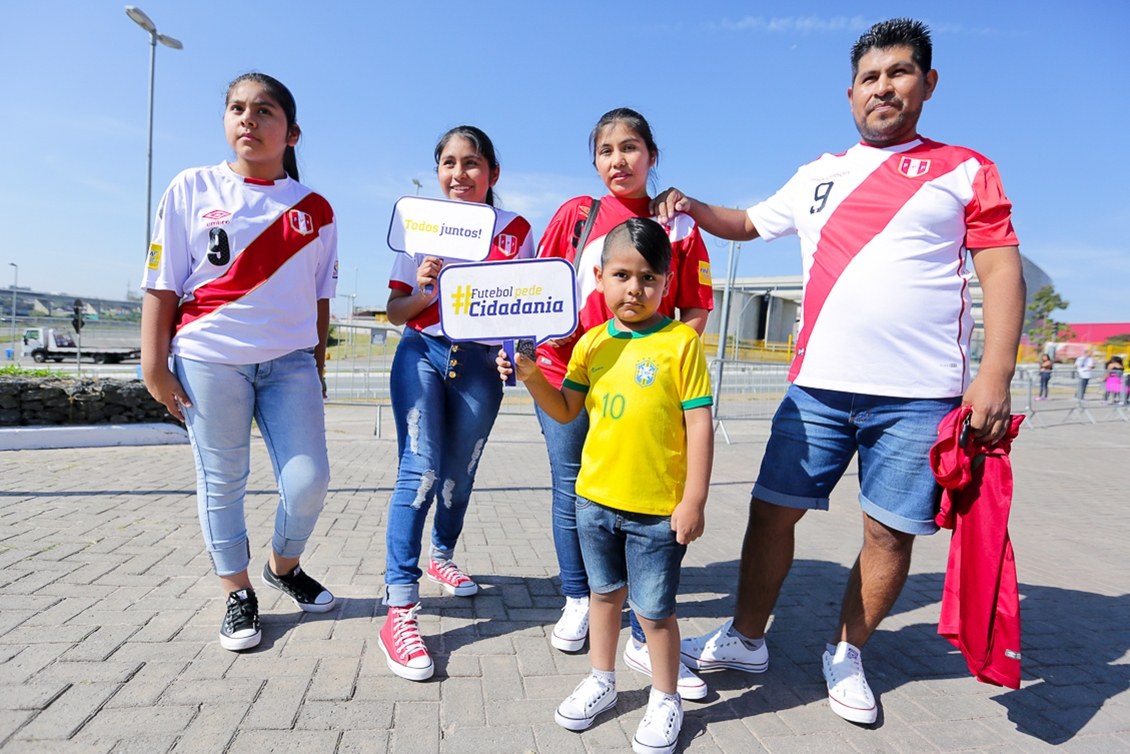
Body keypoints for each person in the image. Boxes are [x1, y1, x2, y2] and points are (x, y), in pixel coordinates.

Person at [653, 18, 1025, 725]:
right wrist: (693, 207)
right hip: (817, 389)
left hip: (920, 399)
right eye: (870, 78)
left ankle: (848, 652)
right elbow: (747, 222)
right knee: (770, 513)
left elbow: (1000, 267)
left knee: (888, 533)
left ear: (928, 84)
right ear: (850, 93)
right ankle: (747, 638)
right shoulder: (817, 173)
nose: (883, 87)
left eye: (899, 73)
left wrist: (996, 373)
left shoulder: (965, 168)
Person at [499, 217, 714, 754]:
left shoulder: (680, 343)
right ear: (599, 278)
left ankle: (666, 697)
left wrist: (694, 499)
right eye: (622, 275)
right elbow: (567, 410)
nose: (634, 288)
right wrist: (530, 378)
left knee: (655, 611)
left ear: (666, 283)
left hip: (657, 513)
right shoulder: (591, 343)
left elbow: (699, 424)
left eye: (648, 278)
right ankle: (602, 678)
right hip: (594, 503)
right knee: (603, 597)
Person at [141, 72, 338, 652]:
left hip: (291, 364)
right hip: (208, 359)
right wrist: (154, 364)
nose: (248, 118)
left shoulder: (316, 209)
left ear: (292, 133)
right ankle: (237, 591)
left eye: (264, 110)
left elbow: (320, 296)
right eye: (236, 108)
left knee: (309, 480)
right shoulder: (190, 188)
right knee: (223, 480)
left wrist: (318, 363)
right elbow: (162, 281)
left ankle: (283, 565)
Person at [534, 108, 714, 700]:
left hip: (646, 385)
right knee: (576, 489)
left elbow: (694, 307)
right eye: (607, 150)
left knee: (643, 498)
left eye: (631, 147)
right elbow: (539, 283)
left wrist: (660, 359)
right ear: (594, 161)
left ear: (652, 155)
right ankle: (579, 598)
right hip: (571, 373)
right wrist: (534, 358)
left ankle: (646, 631)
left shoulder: (680, 225)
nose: (619, 160)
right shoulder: (577, 214)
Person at [378, 126, 535, 682]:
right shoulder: (418, 227)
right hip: (421, 351)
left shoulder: (516, 231)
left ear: (493, 172)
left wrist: (513, 353)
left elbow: (523, 311)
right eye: (448, 162)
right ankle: (399, 605)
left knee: (456, 478)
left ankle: (440, 554)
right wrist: (422, 289)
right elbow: (396, 312)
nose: (459, 174)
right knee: (418, 472)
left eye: (472, 163)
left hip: (477, 365)